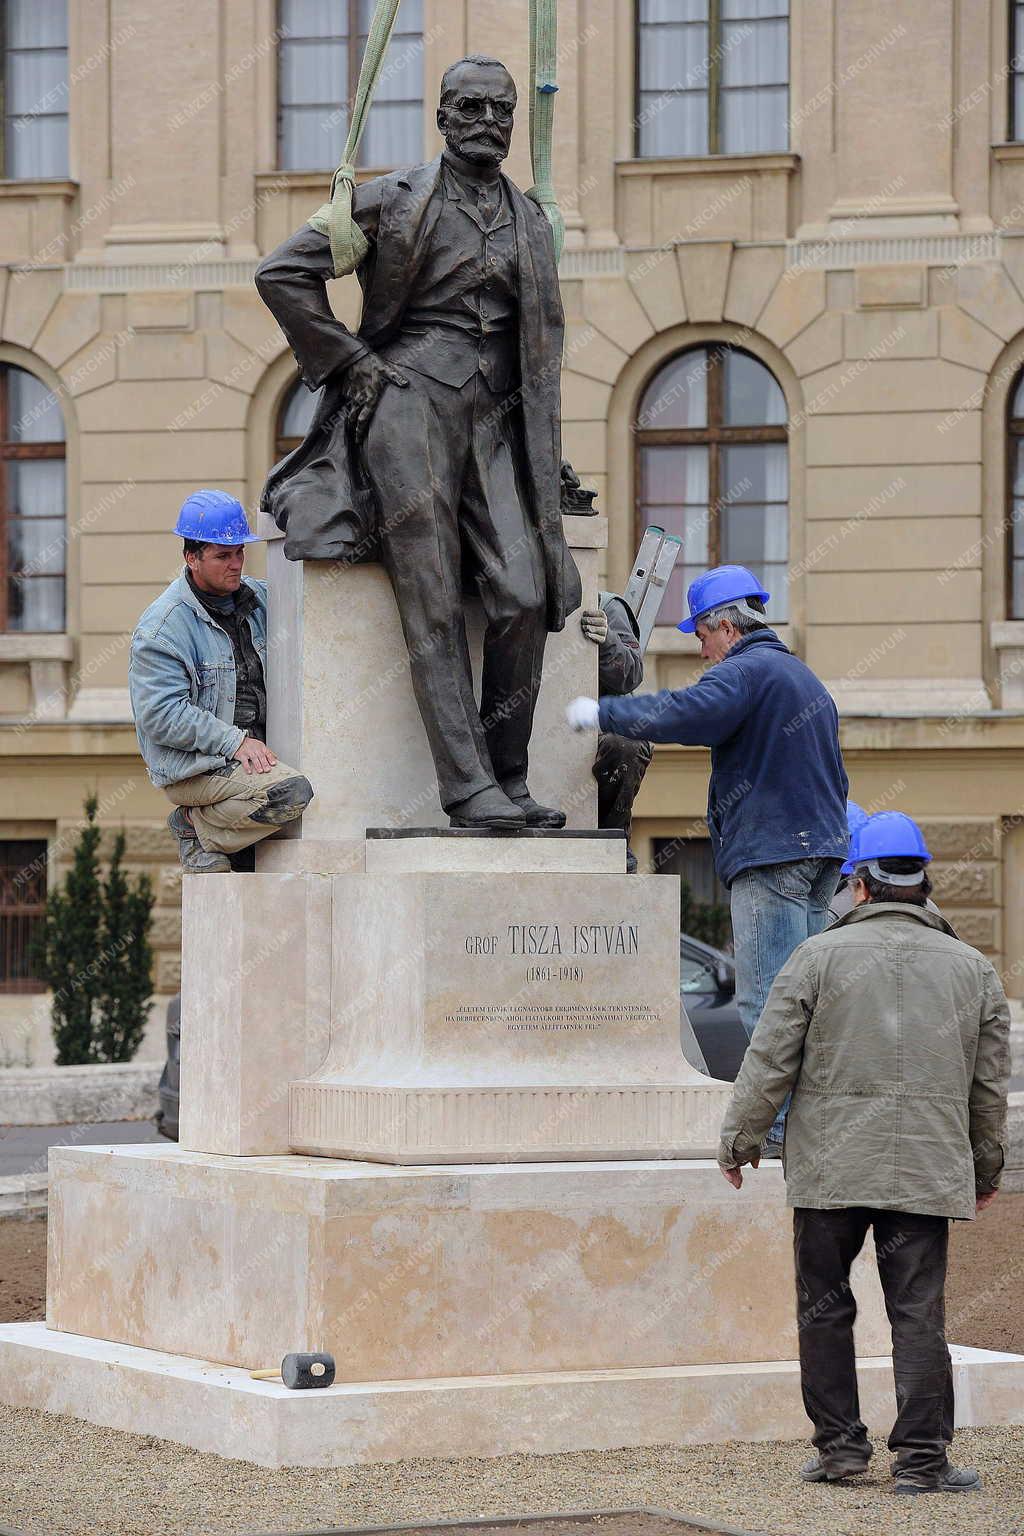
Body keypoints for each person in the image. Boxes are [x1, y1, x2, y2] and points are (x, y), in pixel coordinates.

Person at [255, 55, 581, 831]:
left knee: (525, 594)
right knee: (431, 597)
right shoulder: (389, 200)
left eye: (501, 110)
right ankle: (467, 789)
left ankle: (509, 775)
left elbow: (540, 351)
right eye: (469, 107)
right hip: (408, 405)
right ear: (440, 115)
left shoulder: (532, 220)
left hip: (497, 420)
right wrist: (353, 360)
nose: (488, 122)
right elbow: (280, 274)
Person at [718, 812, 1011, 1497]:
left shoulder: (817, 957)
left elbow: (769, 1059)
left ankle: (842, 1453)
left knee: (824, 1308)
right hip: (925, 1169)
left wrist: (741, 1140)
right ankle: (922, 1464)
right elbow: (989, 1086)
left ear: (860, 884)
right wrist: (986, 1168)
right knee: (917, 1315)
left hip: (829, 1169)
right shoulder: (972, 968)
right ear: (923, 881)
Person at [567, 563, 848, 1149]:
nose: (701, 651)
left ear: (725, 626)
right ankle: (812, 1124)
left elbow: (686, 712)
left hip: (772, 858)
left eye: (700, 636)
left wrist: (604, 713)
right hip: (820, 856)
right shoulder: (802, 678)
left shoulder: (747, 673)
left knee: (768, 999)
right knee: (806, 999)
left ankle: (777, 1130)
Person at [129, 490, 313, 873]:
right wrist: (235, 742)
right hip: (197, 766)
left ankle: (208, 825)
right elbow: (161, 714)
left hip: (254, 759)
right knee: (290, 793)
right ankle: (194, 826)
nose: (236, 564)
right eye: (222, 555)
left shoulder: (261, 600)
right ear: (191, 558)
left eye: (239, 553)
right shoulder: (163, 627)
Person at [580, 595, 651, 871]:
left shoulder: (606, 605)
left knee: (625, 745)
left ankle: (611, 841)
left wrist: (607, 641)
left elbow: (631, 675)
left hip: (598, 739)